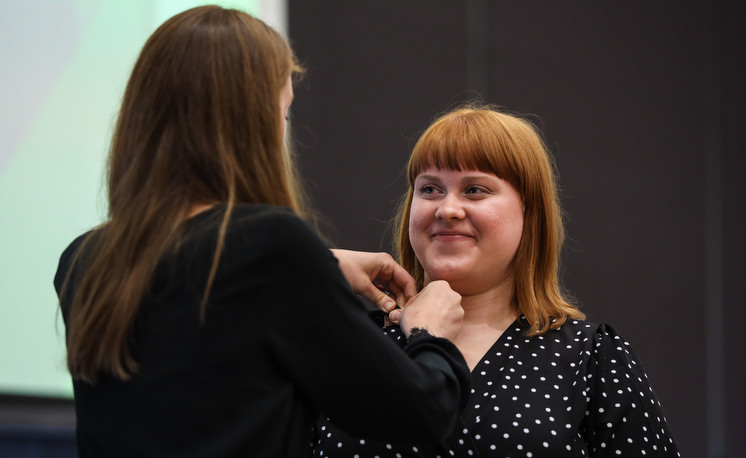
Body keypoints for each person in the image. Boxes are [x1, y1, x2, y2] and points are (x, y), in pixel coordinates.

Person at [53, 6, 471, 457]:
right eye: (284, 113)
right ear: (251, 123)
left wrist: (321, 265)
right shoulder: (270, 249)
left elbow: (195, 320)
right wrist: (430, 333)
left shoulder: (83, 259)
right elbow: (422, 411)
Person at [313, 105, 681, 457]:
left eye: (475, 190)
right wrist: (311, 268)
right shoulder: (344, 345)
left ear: (529, 213)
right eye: (429, 189)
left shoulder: (590, 358)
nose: (447, 209)